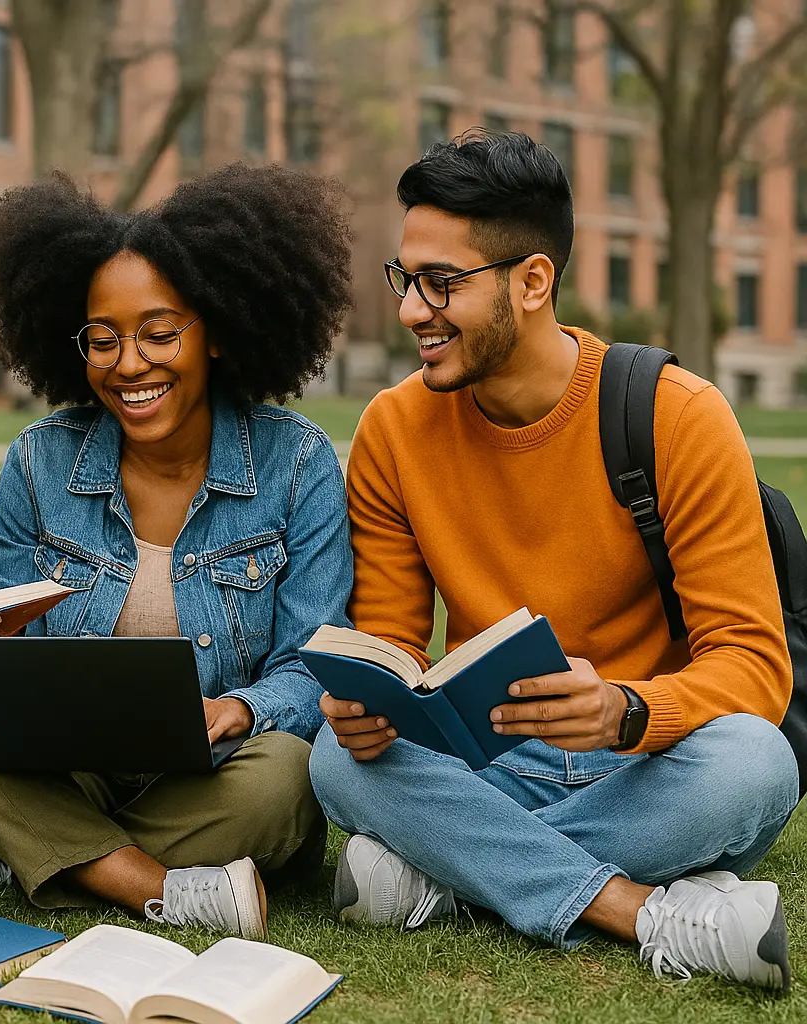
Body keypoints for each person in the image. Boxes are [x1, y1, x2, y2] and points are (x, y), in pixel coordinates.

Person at [310, 130, 797, 989]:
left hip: (650, 763)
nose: (413, 310)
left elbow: (754, 667)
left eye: (441, 284)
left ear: (532, 281)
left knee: (759, 764)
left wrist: (622, 710)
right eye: (406, 279)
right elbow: (388, 637)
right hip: (485, 760)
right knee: (331, 757)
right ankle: (641, 912)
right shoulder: (392, 429)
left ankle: (452, 875)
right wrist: (370, 698)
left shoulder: (678, 416)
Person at [0, 164, 356, 939]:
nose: (129, 364)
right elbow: (10, 652)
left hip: (218, 770)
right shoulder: (40, 461)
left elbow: (312, 662)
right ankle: (148, 883)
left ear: (222, 331)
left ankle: (23, 847)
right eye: (102, 340)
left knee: (292, 778)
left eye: (159, 333)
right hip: (75, 762)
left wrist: (239, 708)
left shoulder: (296, 464)